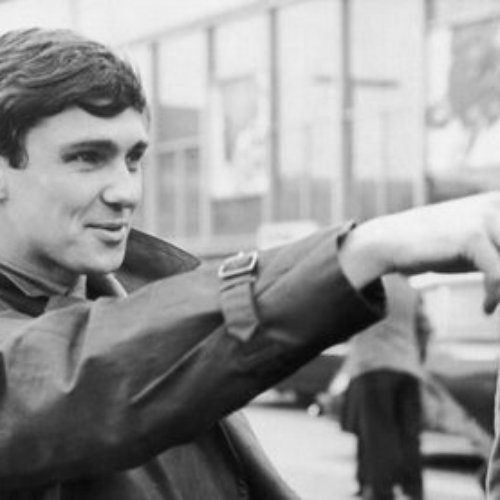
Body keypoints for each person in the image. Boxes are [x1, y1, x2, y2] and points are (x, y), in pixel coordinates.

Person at [1, 27, 500, 500]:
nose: (126, 191)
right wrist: (368, 247)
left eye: (133, 159)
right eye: (87, 157)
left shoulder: (160, 298)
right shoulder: (169, 317)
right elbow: (62, 375)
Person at [341, 274, 430, 500]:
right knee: (409, 434)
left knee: (377, 432)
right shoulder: (409, 289)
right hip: (408, 367)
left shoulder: (365, 282)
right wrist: (415, 357)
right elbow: (425, 328)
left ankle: (381, 492)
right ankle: (414, 491)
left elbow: (344, 322)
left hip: (372, 365)